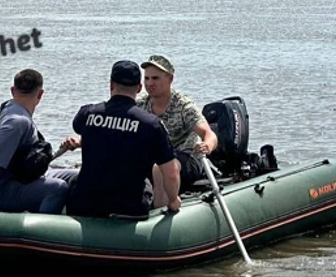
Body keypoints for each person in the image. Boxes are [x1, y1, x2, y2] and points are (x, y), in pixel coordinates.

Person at [61, 60, 182, 218]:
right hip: (128, 208)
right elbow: (171, 173)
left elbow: (97, 134)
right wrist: (173, 200)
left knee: (76, 180)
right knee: (146, 183)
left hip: (84, 205)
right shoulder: (150, 124)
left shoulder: (87, 113)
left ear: (111, 85)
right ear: (139, 88)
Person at [0, 68, 73, 213]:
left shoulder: (8, 108)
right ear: (40, 94)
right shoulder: (16, 122)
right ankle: (42, 225)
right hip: (6, 189)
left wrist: (63, 149)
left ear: (12, 91)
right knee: (57, 188)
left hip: (24, 177)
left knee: (74, 176)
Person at [137, 54, 218, 204]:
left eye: (155, 78)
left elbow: (208, 134)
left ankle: (162, 210)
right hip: (153, 157)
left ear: (170, 79)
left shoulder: (183, 105)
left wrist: (207, 145)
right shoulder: (140, 104)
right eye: (146, 78)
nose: (149, 83)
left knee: (161, 168)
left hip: (185, 159)